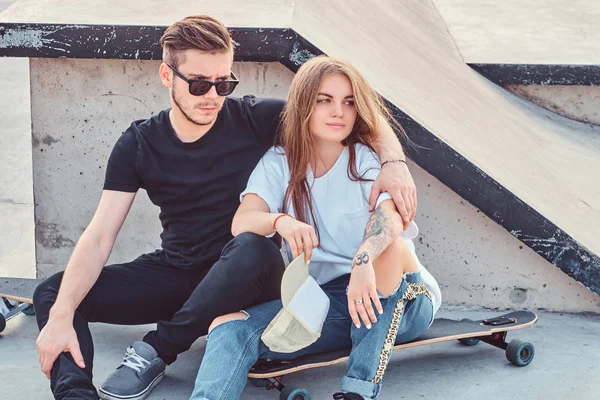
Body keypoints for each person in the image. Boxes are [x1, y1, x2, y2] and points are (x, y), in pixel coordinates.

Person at [32, 16, 419, 400]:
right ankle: (76, 395)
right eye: (200, 84)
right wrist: (64, 314)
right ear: (167, 76)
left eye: (224, 84)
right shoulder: (138, 144)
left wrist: (394, 164)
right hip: (179, 272)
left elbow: (350, 116)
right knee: (54, 294)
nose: (213, 96)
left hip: (252, 275)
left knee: (251, 245)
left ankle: (157, 348)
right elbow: (100, 236)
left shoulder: (254, 119)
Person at [190, 55, 442, 400]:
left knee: (389, 251)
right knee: (229, 327)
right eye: (325, 100)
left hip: (402, 295)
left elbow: (391, 219)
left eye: (348, 102)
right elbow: (243, 221)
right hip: (331, 301)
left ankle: (357, 390)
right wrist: (280, 220)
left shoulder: (365, 158)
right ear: (304, 105)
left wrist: (363, 261)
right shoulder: (279, 162)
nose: (338, 111)